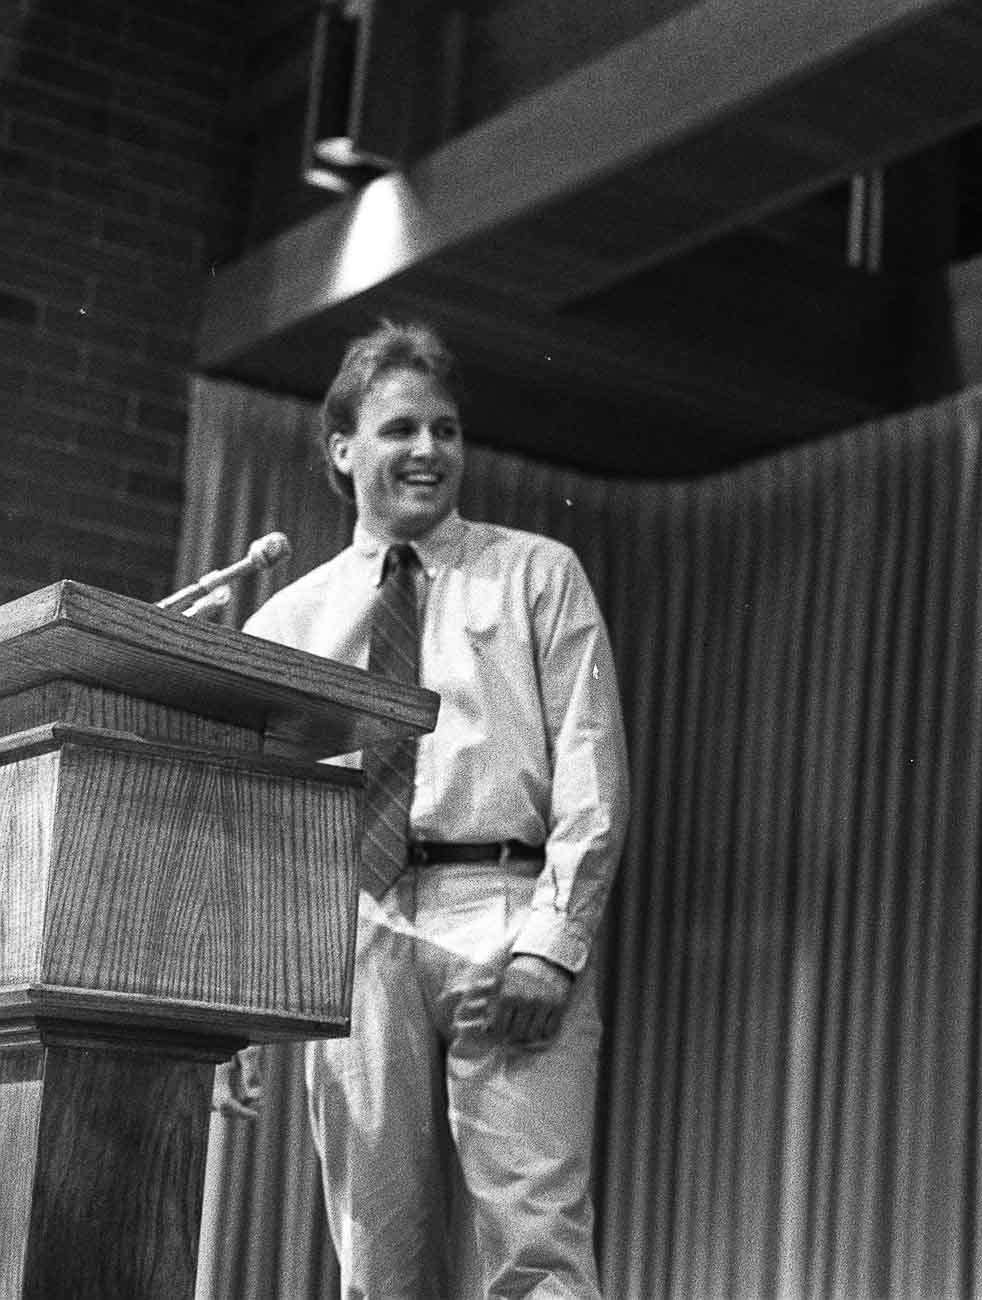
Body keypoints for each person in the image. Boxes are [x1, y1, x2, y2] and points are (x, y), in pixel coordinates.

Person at [213, 321, 628, 1299]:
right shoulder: (289, 622)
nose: (430, 451)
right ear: (343, 449)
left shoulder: (538, 573)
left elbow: (593, 774)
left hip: (507, 909)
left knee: (538, 1254)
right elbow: (258, 825)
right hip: (357, 937)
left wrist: (552, 943)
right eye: (401, 429)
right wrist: (234, 1008)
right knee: (377, 1267)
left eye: (446, 430)